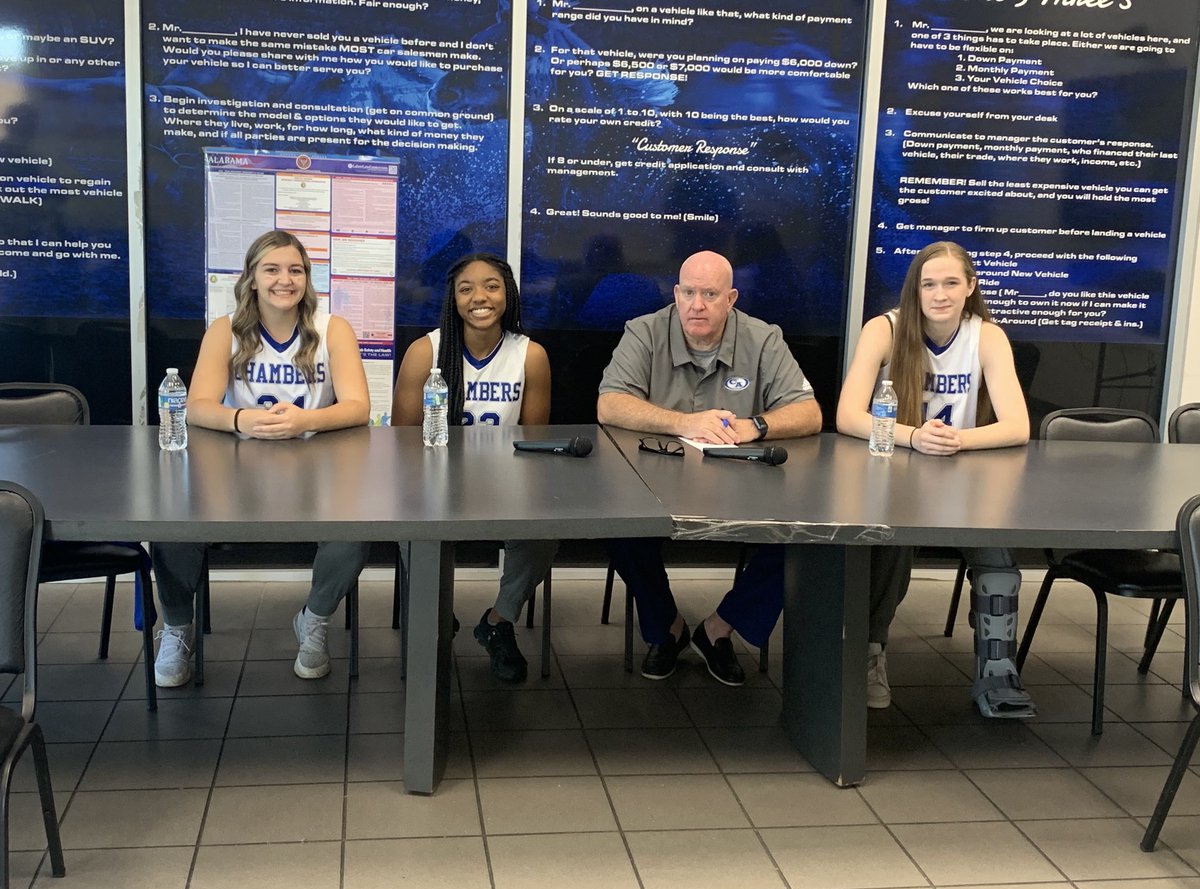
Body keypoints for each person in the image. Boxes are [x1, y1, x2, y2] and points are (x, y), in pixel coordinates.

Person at [151, 230, 372, 687]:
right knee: (170, 525)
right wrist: (240, 420)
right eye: (271, 269)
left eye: (295, 270)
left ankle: (314, 618)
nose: (284, 280)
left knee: (357, 527)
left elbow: (358, 407)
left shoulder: (334, 328)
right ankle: (176, 627)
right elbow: (196, 406)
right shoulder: (226, 329)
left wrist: (303, 421)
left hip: (317, 472)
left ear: (307, 278)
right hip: (236, 475)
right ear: (252, 278)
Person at [597, 250, 822, 685]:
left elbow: (809, 413)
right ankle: (668, 629)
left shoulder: (763, 339)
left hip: (744, 487)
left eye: (710, 294)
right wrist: (684, 421)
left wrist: (756, 425)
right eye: (688, 292)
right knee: (619, 529)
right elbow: (609, 404)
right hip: (652, 482)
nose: (696, 305)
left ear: (731, 298)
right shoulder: (644, 331)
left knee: (804, 536)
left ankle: (720, 628)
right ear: (676, 293)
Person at [836, 240, 1034, 719]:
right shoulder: (884, 329)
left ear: (970, 287)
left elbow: (1019, 426)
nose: (939, 293)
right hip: (897, 477)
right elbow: (846, 415)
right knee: (889, 545)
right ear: (915, 289)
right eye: (928, 284)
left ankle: (997, 670)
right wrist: (912, 437)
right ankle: (871, 650)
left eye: (950, 283)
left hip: (964, 480)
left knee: (998, 560)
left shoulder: (987, 336)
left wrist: (958, 442)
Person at [392, 252, 557, 684]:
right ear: (453, 298)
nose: (479, 297)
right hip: (437, 485)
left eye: (491, 286)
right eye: (466, 288)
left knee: (546, 531)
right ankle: (436, 617)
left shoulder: (531, 356)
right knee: (412, 526)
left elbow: (534, 443)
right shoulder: (424, 352)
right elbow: (402, 442)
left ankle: (499, 621)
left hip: (507, 486)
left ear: (508, 295)